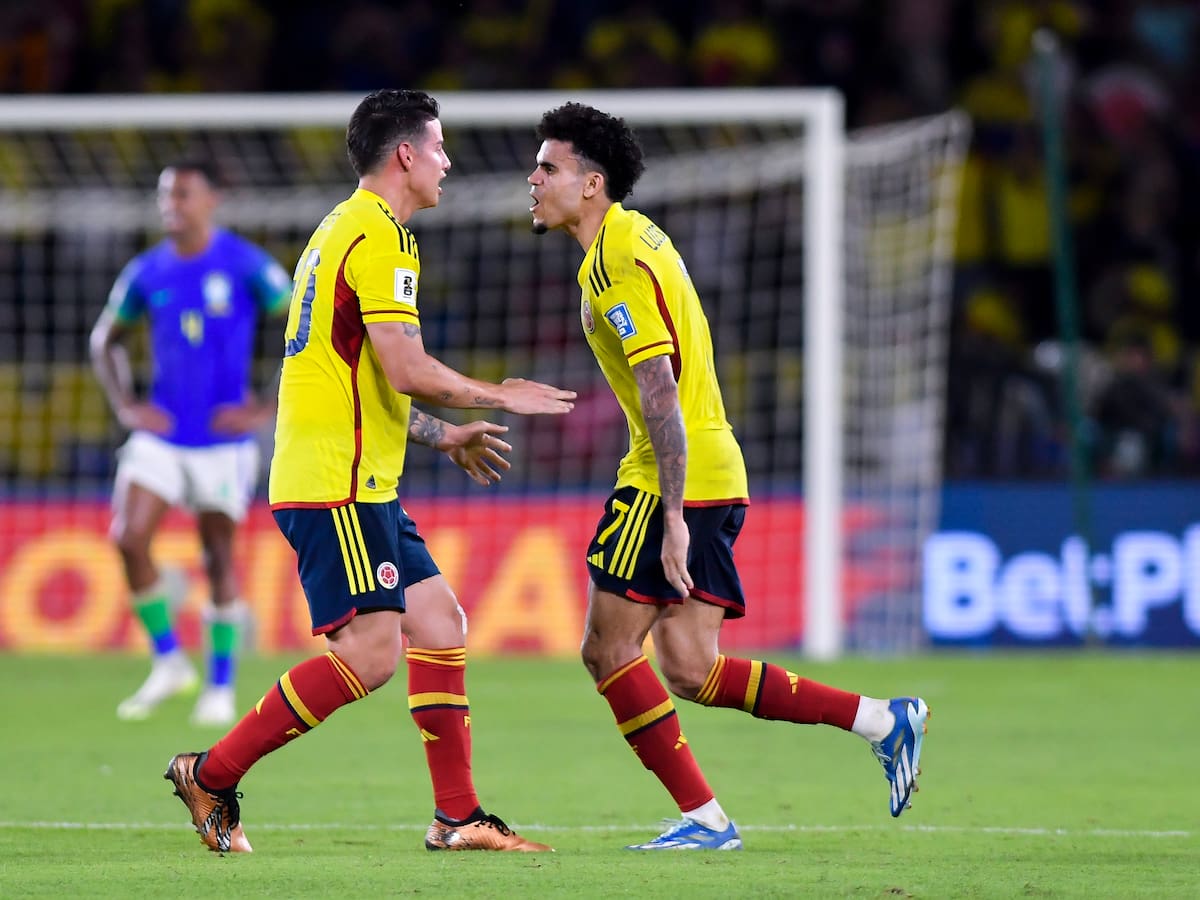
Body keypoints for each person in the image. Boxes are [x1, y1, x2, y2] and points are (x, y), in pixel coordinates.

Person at [163, 89, 575, 855]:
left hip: (362, 481)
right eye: (441, 148)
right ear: (407, 155)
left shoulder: (340, 229)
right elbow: (406, 366)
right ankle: (211, 773)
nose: (449, 163)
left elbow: (362, 374)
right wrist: (500, 392)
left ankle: (458, 817)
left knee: (441, 623)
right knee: (373, 653)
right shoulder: (377, 237)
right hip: (336, 484)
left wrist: (442, 434)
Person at [526, 102, 930, 850]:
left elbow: (659, 387)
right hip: (715, 463)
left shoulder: (615, 258)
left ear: (592, 183)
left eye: (549, 166)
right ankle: (881, 719)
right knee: (689, 665)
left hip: (667, 475)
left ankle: (706, 819)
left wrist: (672, 514)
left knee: (608, 650)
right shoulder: (633, 239)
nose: (534, 178)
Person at [91, 159, 292, 728]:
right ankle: (169, 662)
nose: (170, 205)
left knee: (218, 555)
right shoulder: (146, 271)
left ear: (211, 200)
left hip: (223, 440)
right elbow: (104, 338)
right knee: (128, 537)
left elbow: (303, 324)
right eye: (164, 196)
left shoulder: (247, 265)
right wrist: (126, 405)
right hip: (162, 434)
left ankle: (220, 685)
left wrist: (264, 405)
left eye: (182, 194)